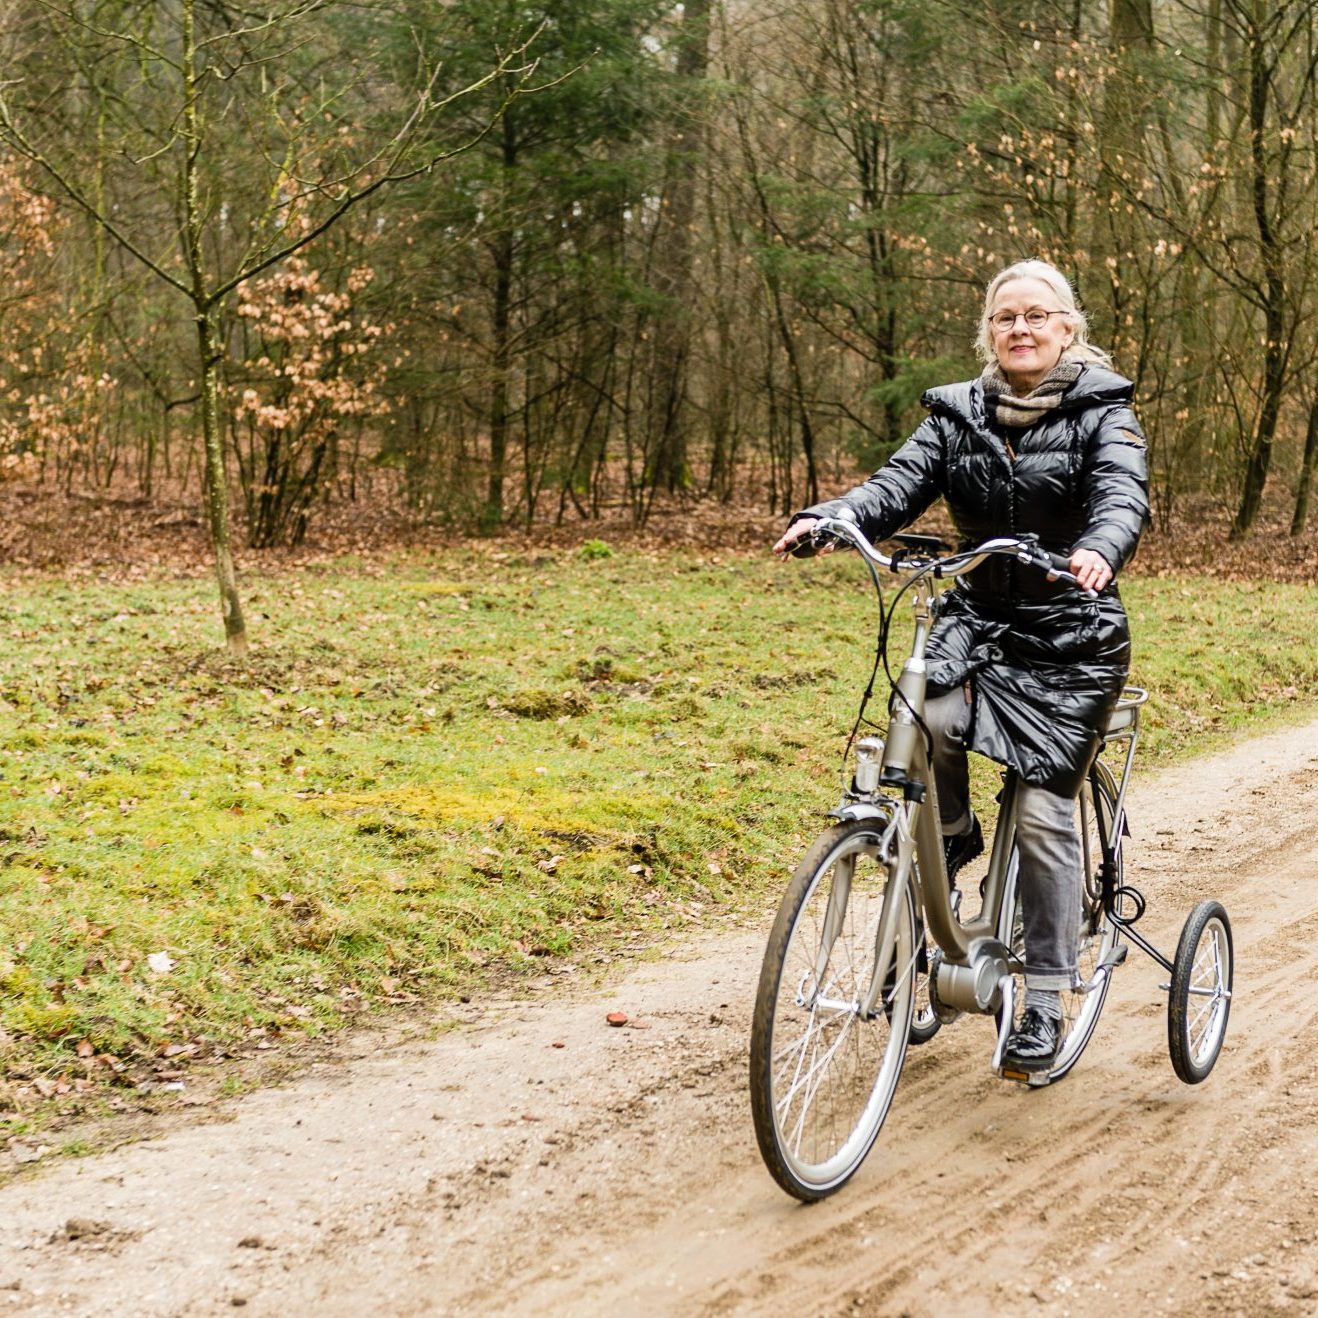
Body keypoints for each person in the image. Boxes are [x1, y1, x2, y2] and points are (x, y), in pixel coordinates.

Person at [772, 258, 1149, 1072]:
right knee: (922, 714)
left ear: (1066, 329)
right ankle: (951, 840)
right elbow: (896, 485)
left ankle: (1046, 996)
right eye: (1006, 316)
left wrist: (1098, 548)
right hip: (977, 619)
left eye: (1038, 316)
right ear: (989, 331)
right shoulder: (956, 415)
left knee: (1047, 810)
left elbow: (1124, 497)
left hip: (1070, 636)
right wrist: (833, 517)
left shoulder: (1105, 416)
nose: (1021, 327)